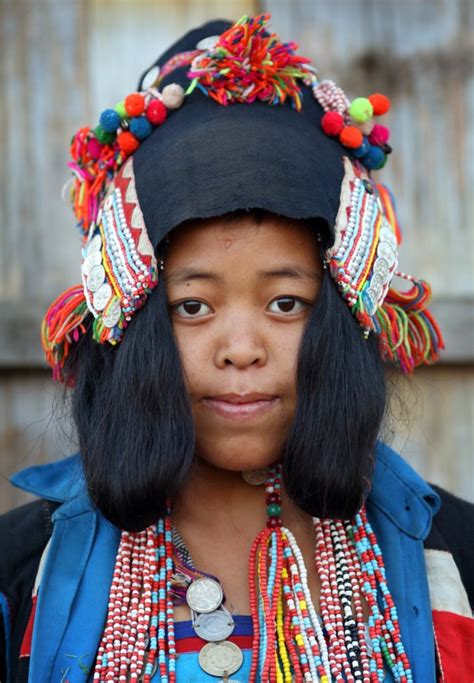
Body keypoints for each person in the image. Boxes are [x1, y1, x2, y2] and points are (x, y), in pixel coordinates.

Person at [0, 14, 472, 683]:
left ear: (343, 317)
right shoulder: (23, 574)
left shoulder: (455, 556)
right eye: (192, 306)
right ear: (131, 323)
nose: (242, 349)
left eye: (286, 302)